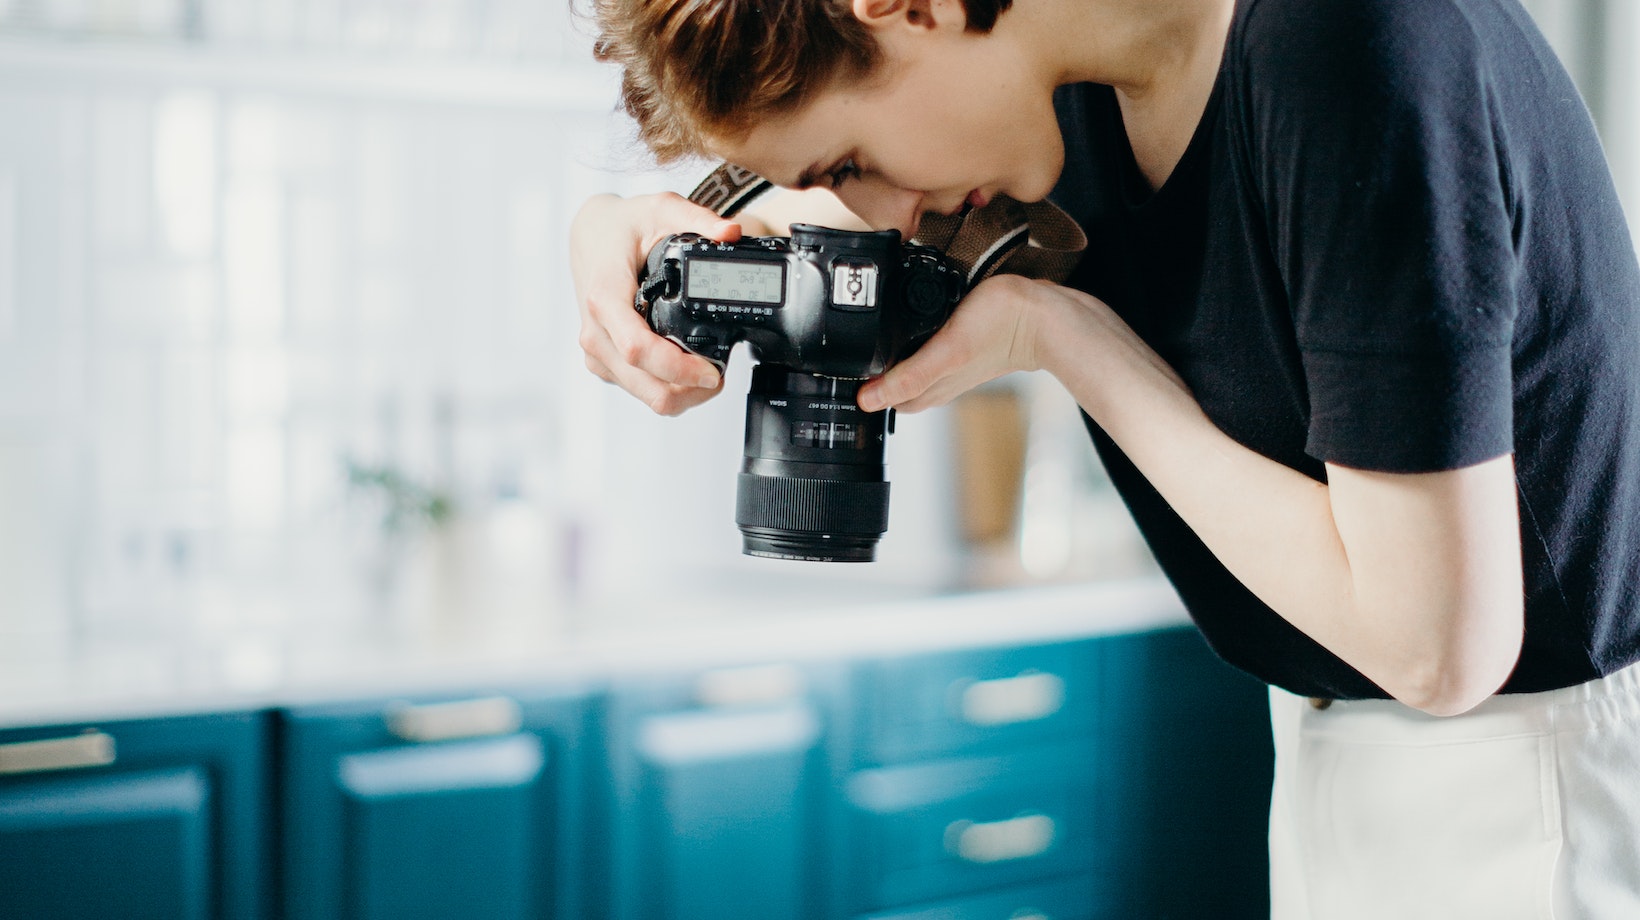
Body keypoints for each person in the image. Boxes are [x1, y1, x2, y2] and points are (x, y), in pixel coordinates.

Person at [570, 0, 1640, 916]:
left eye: (852, 165)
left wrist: (1069, 342)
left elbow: (1440, 647)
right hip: (1338, 752)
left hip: (1533, 790)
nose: (876, 212)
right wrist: (610, 229)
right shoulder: (1059, 90)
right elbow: (779, 201)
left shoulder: (1347, 46)